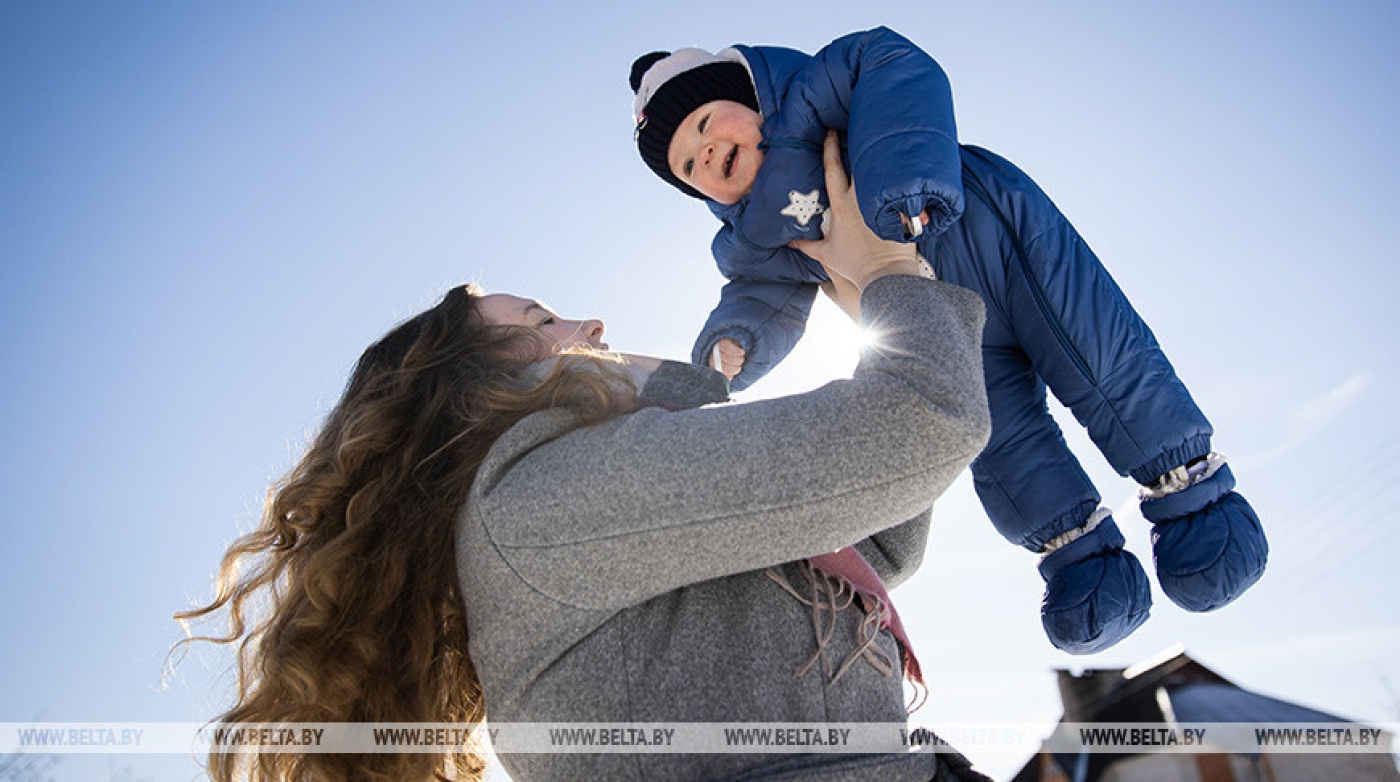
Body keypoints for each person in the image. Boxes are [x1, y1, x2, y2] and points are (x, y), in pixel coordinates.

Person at [177, 133, 995, 781]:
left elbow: (880, 538)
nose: (591, 326)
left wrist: (872, 315)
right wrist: (892, 279)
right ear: (474, 388)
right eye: (542, 320)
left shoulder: (591, 478)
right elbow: (926, 423)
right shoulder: (538, 499)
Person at [629, 27, 1268, 655]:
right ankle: (1080, 556)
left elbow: (892, 61)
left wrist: (901, 176)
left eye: (708, 121)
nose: (706, 153)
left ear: (749, 93)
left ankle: (1194, 495)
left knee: (1098, 356)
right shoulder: (753, 241)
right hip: (930, 315)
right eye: (688, 165)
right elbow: (758, 299)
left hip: (999, 238)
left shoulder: (814, 95)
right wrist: (730, 347)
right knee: (992, 430)